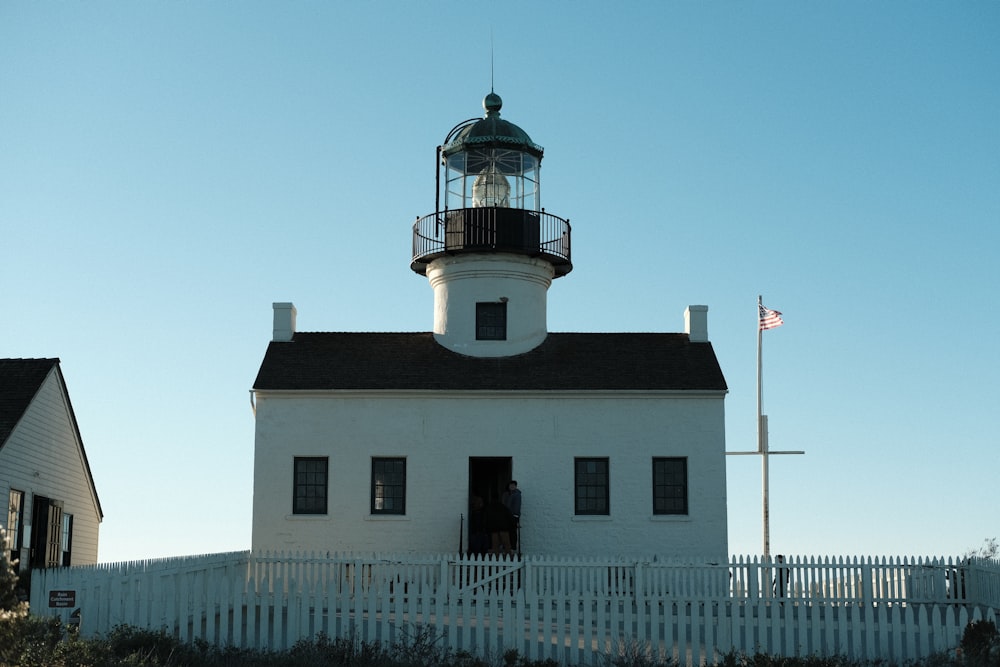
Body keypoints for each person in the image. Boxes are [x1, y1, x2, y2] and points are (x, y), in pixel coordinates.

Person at [502, 480, 521, 552]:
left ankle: (513, 548)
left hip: (513, 516)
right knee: (506, 531)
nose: (512, 486)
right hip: (507, 516)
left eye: (513, 485)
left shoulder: (517, 494)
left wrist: (517, 517)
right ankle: (506, 547)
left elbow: (517, 507)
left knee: (513, 532)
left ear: (516, 486)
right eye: (510, 485)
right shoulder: (507, 494)